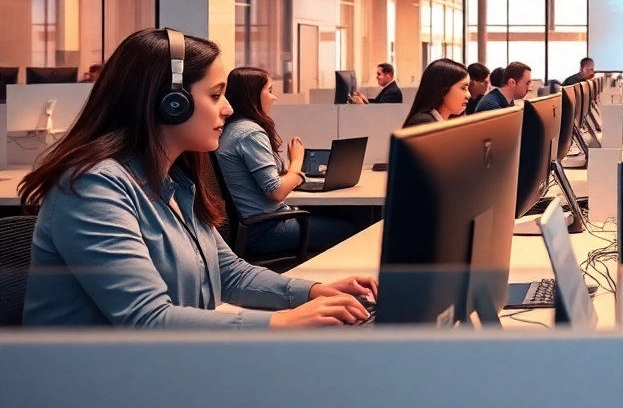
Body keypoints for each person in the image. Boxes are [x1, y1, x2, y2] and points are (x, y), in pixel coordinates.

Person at [21, 29, 374, 328]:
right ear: (171, 102)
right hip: (90, 391)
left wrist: (313, 293)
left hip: (168, 372)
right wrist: (280, 323)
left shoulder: (173, 181)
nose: (229, 108)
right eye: (215, 95)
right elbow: (148, 319)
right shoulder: (92, 187)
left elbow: (229, 273)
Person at [216, 67, 359, 256]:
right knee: (352, 226)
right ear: (252, 95)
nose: (274, 97)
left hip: (251, 227)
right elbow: (276, 191)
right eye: (269, 90)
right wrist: (297, 164)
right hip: (266, 230)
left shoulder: (231, 128)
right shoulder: (249, 133)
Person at [403, 59, 472, 128]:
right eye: (463, 88)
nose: (469, 95)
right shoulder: (424, 123)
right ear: (443, 89)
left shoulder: (449, 121)